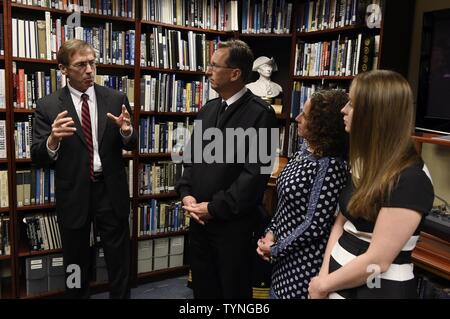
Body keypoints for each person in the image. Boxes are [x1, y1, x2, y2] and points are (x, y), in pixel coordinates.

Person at [308, 70, 434, 299]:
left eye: (352, 104)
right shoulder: (362, 162)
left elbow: (378, 260)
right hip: (334, 282)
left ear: (375, 116)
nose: (343, 110)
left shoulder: (411, 179)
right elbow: (341, 223)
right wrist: (323, 278)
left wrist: (323, 286)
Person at [31, 39, 137, 299]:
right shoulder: (47, 106)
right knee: (75, 262)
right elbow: (38, 156)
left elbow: (132, 143)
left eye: (92, 63)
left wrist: (127, 132)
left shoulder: (116, 98)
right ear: (63, 69)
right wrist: (53, 140)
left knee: (119, 259)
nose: (89, 70)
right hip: (74, 193)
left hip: (110, 190)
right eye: (81, 65)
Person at [175, 40, 278, 299]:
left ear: (235, 73)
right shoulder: (208, 109)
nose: (208, 71)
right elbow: (191, 160)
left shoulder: (261, 115)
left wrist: (213, 208)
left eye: (214, 66)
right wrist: (186, 194)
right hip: (199, 222)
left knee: (232, 292)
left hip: (233, 228)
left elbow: (254, 176)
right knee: (203, 289)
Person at [256, 90, 349, 299]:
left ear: (322, 125)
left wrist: (277, 248)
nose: (297, 118)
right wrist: (271, 233)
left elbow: (314, 225)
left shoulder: (330, 165)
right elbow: (283, 204)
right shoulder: (304, 150)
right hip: (282, 257)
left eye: (305, 116)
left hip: (304, 264)